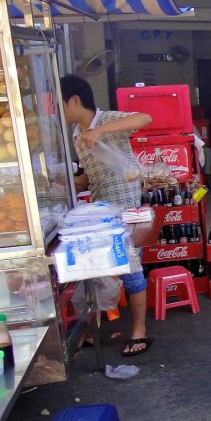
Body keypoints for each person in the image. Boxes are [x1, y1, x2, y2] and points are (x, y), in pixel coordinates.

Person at [60, 75, 155, 357]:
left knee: (130, 268)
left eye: (60, 104)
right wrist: (70, 182)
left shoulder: (107, 120)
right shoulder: (77, 135)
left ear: (75, 100)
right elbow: (90, 176)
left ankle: (139, 330)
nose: (57, 112)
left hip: (124, 206)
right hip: (100, 209)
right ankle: (88, 330)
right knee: (94, 270)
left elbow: (144, 118)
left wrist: (101, 131)